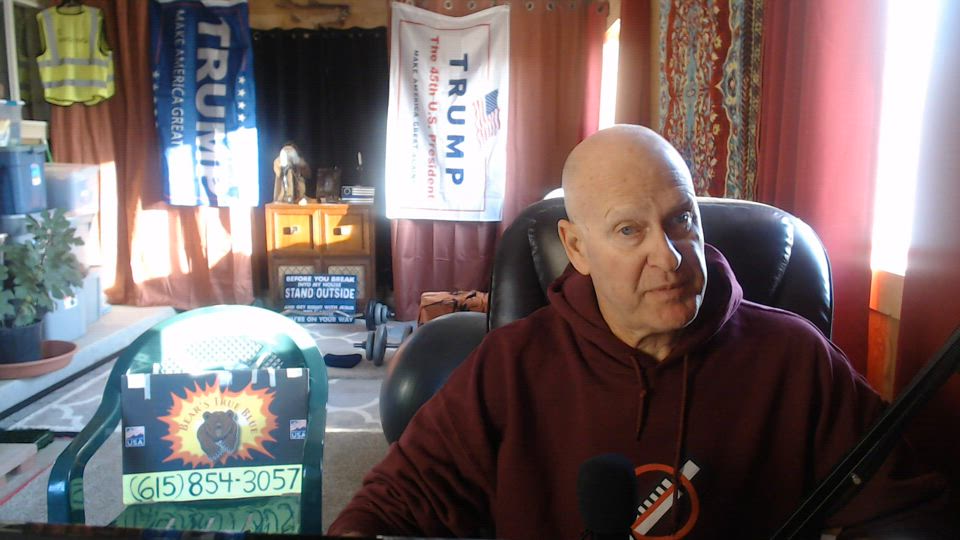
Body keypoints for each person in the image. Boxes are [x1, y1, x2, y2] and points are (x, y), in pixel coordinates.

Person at [328, 125, 951, 539]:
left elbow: (907, 509)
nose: (670, 256)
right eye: (629, 231)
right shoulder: (511, 366)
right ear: (577, 247)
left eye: (682, 220)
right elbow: (392, 503)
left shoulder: (796, 360)